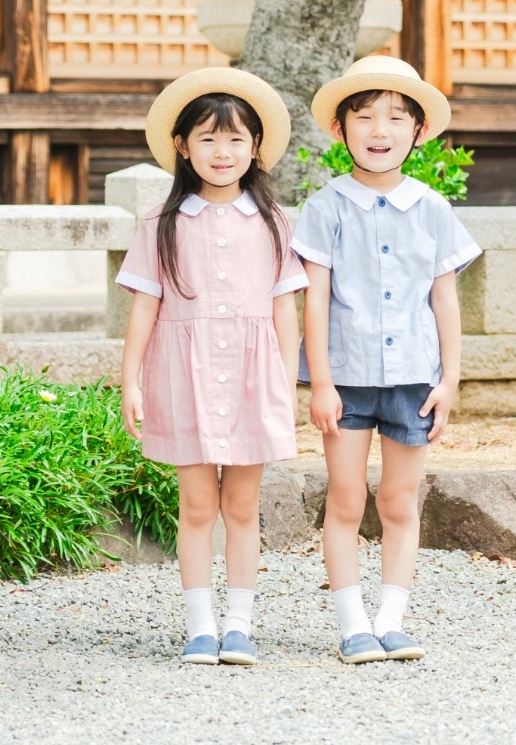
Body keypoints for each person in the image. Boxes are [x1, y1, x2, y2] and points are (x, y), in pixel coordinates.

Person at [292, 56, 481, 664]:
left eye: (397, 117)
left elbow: (444, 298)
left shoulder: (432, 207)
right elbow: (314, 299)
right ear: (341, 130)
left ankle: (391, 619)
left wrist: (449, 380)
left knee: (401, 500)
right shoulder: (325, 207)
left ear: (419, 132)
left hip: (414, 381)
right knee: (345, 499)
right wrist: (320, 381)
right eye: (365, 116)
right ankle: (352, 626)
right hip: (345, 379)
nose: (381, 129)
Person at [117, 68, 308, 666]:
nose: (221, 152)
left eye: (234, 140)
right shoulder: (161, 223)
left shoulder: (277, 222)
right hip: (184, 374)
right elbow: (146, 306)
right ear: (181, 146)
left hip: (254, 378)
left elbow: (286, 312)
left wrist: (286, 379)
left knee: (243, 506)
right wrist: (130, 379)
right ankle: (200, 626)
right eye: (206, 138)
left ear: (255, 148)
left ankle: (240, 625)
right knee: (198, 505)